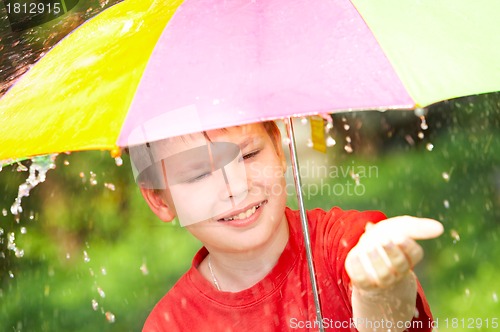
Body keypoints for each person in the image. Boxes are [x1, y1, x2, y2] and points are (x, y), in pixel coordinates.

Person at [130, 121, 443, 331]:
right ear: (159, 199)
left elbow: (394, 321)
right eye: (198, 174)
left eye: (249, 155)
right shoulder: (173, 324)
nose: (235, 187)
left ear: (278, 150)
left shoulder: (341, 244)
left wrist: (378, 292)